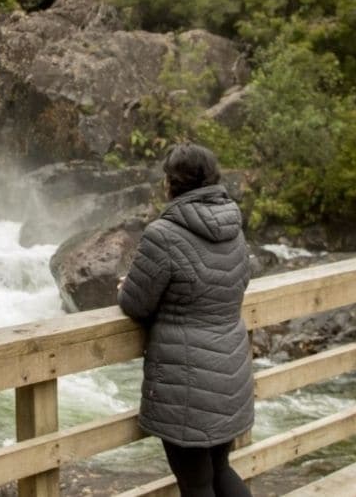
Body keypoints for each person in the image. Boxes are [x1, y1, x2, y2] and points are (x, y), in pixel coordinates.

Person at [117, 142, 254, 497]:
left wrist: (124, 286)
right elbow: (241, 280)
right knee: (220, 469)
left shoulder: (163, 234)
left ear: (172, 183)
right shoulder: (234, 228)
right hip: (229, 371)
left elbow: (136, 304)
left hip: (187, 384)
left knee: (196, 484)